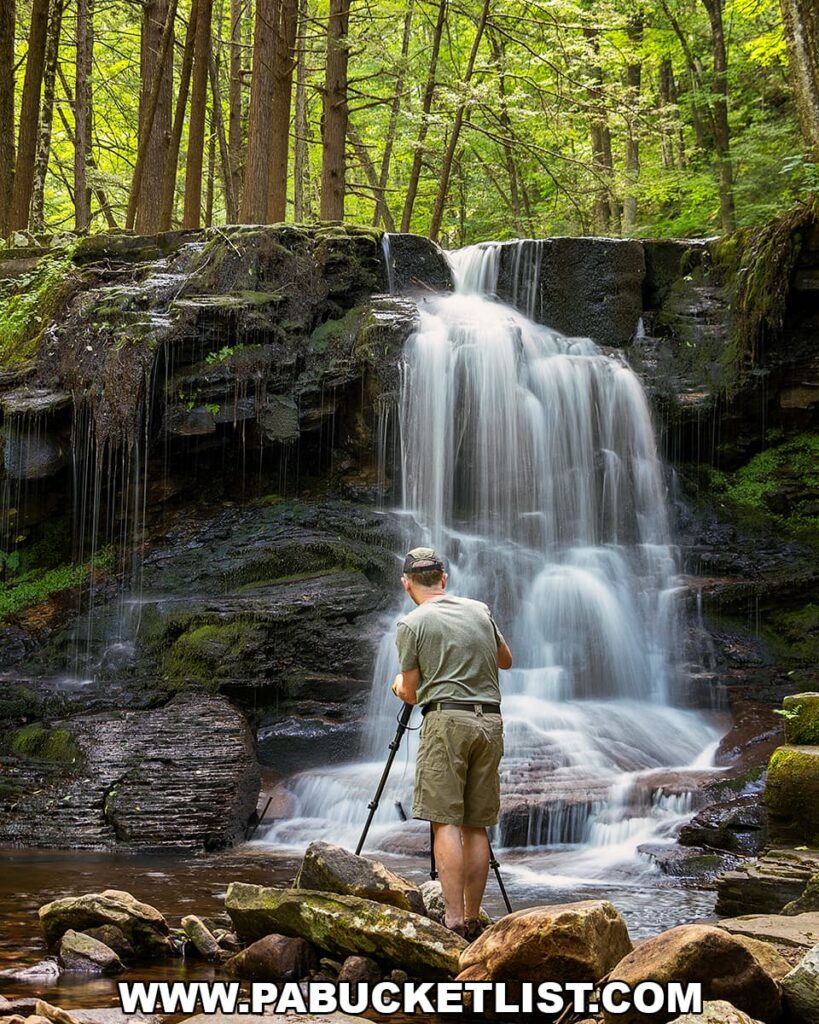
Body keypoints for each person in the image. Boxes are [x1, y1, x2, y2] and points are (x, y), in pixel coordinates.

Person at [391, 546, 513, 939]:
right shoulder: (479, 610)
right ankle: (475, 918)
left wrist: (398, 685)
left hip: (446, 721)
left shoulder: (412, 624)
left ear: (406, 584)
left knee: (445, 820)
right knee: (476, 824)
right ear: (444, 579)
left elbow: (410, 692)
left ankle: (454, 920)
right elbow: (506, 660)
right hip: (490, 721)